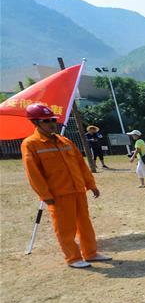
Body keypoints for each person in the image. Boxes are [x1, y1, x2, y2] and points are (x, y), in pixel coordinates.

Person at [20, 104, 111, 268]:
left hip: (78, 190)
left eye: (53, 119)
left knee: (85, 224)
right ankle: (73, 258)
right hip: (58, 194)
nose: (51, 123)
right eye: (46, 121)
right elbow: (33, 174)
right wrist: (45, 196)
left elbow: (80, 165)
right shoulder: (31, 144)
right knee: (65, 228)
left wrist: (91, 184)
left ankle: (90, 253)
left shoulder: (65, 141)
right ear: (35, 122)